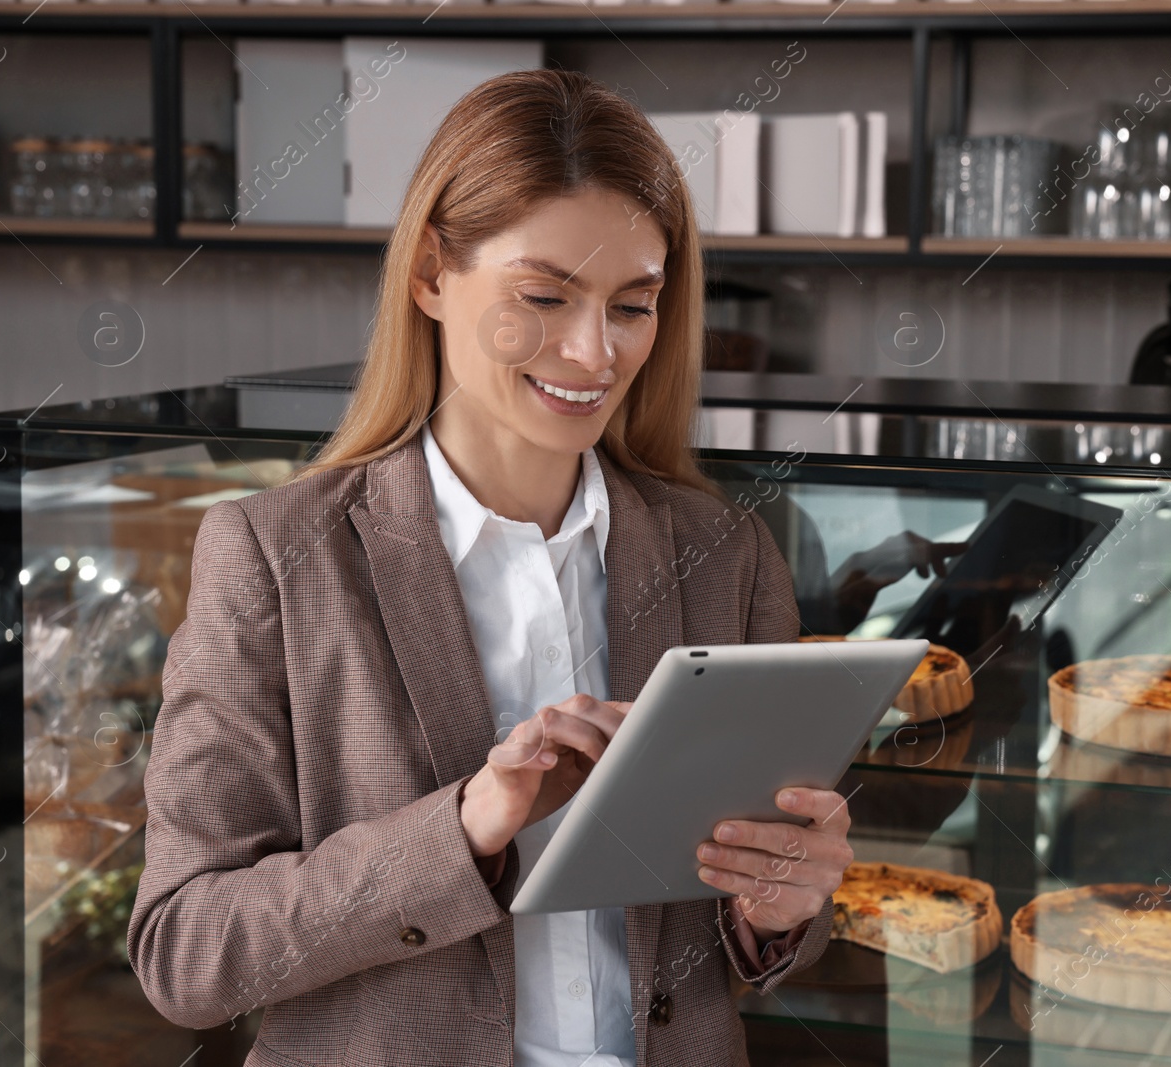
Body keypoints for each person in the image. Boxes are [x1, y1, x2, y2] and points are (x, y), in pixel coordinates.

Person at [127, 69, 854, 1067]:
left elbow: (752, 941)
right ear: (430, 273)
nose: (593, 350)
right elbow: (185, 953)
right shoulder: (274, 558)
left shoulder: (728, 556)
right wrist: (462, 830)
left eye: (632, 305)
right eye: (544, 296)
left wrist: (782, 905)